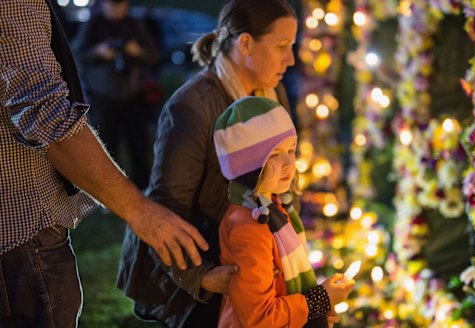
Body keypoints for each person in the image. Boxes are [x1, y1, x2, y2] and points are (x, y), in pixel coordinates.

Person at [0, 1, 207, 327]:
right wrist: (140, 212)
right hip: (23, 234)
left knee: (137, 152)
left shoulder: (136, 23)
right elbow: (46, 115)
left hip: (129, 99)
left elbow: (152, 53)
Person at [117, 0, 299, 326]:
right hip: (203, 266)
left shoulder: (272, 94)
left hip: (248, 259)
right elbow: (166, 210)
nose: (291, 58)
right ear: (245, 43)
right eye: (282, 46)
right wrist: (203, 276)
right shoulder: (193, 108)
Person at [214, 96, 355, 328]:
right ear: (247, 165)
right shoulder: (249, 227)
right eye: (274, 154)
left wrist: (317, 311)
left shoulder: (274, 207)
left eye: (291, 150)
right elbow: (259, 317)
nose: (289, 163)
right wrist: (319, 301)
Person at [73, 0, 160, 189]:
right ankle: (109, 192)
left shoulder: (135, 24)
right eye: (111, 5)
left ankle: (142, 190)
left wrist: (137, 51)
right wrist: (98, 51)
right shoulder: (94, 24)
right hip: (103, 97)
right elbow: (77, 53)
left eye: (120, 5)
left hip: (133, 95)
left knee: (139, 147)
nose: (115, 10)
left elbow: (153, 54)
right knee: (106, 147)